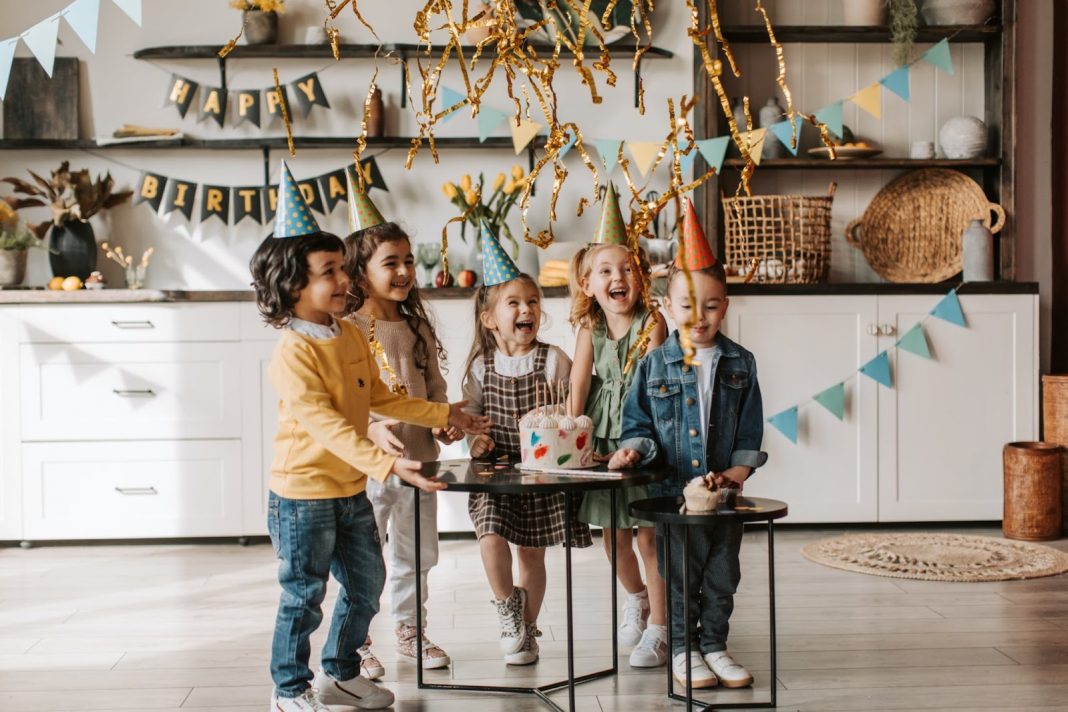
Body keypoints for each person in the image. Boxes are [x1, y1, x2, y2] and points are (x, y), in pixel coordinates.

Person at [251, 162, 490, 712]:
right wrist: (388, 465)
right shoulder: (295, 351)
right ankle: (289, 688)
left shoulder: (344, 334)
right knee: (304, 595)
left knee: (367, 582)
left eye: (342, 269)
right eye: (330, 271)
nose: (344, 281)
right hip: (303, 494)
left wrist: (440, 413)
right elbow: (327, 424)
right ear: (293, 285)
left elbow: (378, 395)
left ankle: (340, 672)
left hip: (347, 490)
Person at [609, 198, 767, 691]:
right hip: (676, 497)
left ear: (726, 305)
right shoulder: (653, 365)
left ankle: (715, 644)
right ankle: (682, 649)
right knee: (678, 575)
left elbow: (748, 431)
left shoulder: (741, 363)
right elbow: (638, 423)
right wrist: (634, 449)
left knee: (723, 574)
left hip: (723, 500)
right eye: (686, 306)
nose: (699, 316)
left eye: (712, 305)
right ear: (667, 307)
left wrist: (735, 477)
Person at [341, 194, 460, 678]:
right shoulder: (346, 329)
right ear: (358, 271)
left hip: (420, 465)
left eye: (409, 260)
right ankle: (356, 642)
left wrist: (445, 422)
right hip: (365, 468)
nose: (405, 271)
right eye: (390, 262)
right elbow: (341, 404)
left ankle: (411, 631)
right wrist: (370, 427)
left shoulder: (415, 327)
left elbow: (434, 392)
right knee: (363, 560)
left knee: (417, 554)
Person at [463, 222, 592, 665]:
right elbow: (472, 421)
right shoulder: (480, 367)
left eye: (533, 302)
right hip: (496, 471)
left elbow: (571, 410)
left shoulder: (554, 359)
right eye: (514, 303)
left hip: (541, 470)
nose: (527, 310)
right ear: (489, 318)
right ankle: (507, 610)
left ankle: (528, 628)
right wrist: (476, 440)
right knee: (490, 534)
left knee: (532, 554)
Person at [568, 183, 668, 668]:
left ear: (641, 279)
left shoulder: (654, 323)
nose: (618, 277)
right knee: (610, 534)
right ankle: (637, 597)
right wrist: (571, 434)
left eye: (627, 268)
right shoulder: (590, 327)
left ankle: (660, 627)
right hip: (600, 443)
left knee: (649, 534)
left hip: (643, 440)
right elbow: (578, 384)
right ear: (588, 284)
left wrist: (637, 441)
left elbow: (651, 387)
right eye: (606, 270)